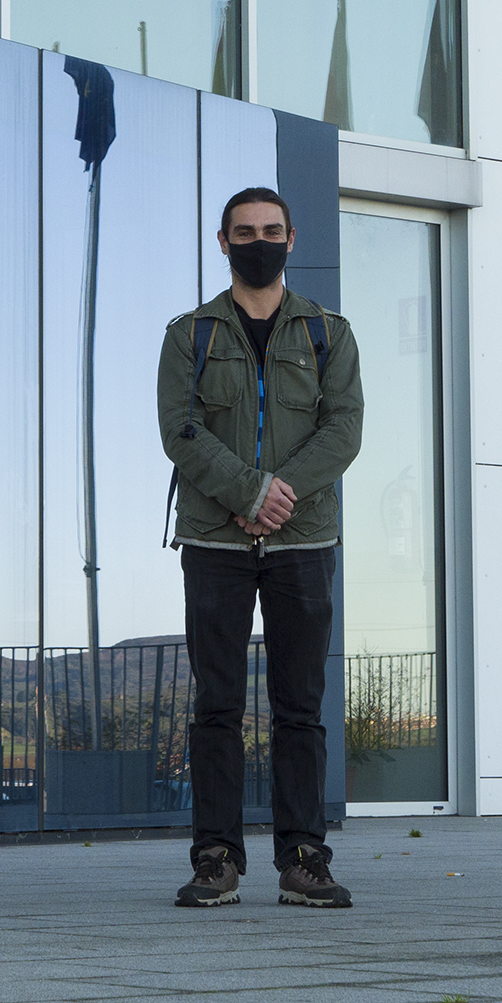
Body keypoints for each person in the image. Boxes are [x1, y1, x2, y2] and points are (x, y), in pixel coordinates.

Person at [160, 187, 364, 911]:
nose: (258, 241)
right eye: (244, 232)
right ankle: (215, 856)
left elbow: (344, 430)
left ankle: (304, 856)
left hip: (303, 541)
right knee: (216, 704)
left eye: (271, 231)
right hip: (214, 539)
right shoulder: (191, 334)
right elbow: (180, 431)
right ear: (222, 241)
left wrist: (280, 495)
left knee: (299, 707)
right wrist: (249, 492)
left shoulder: (327, 333)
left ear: (292, 238)